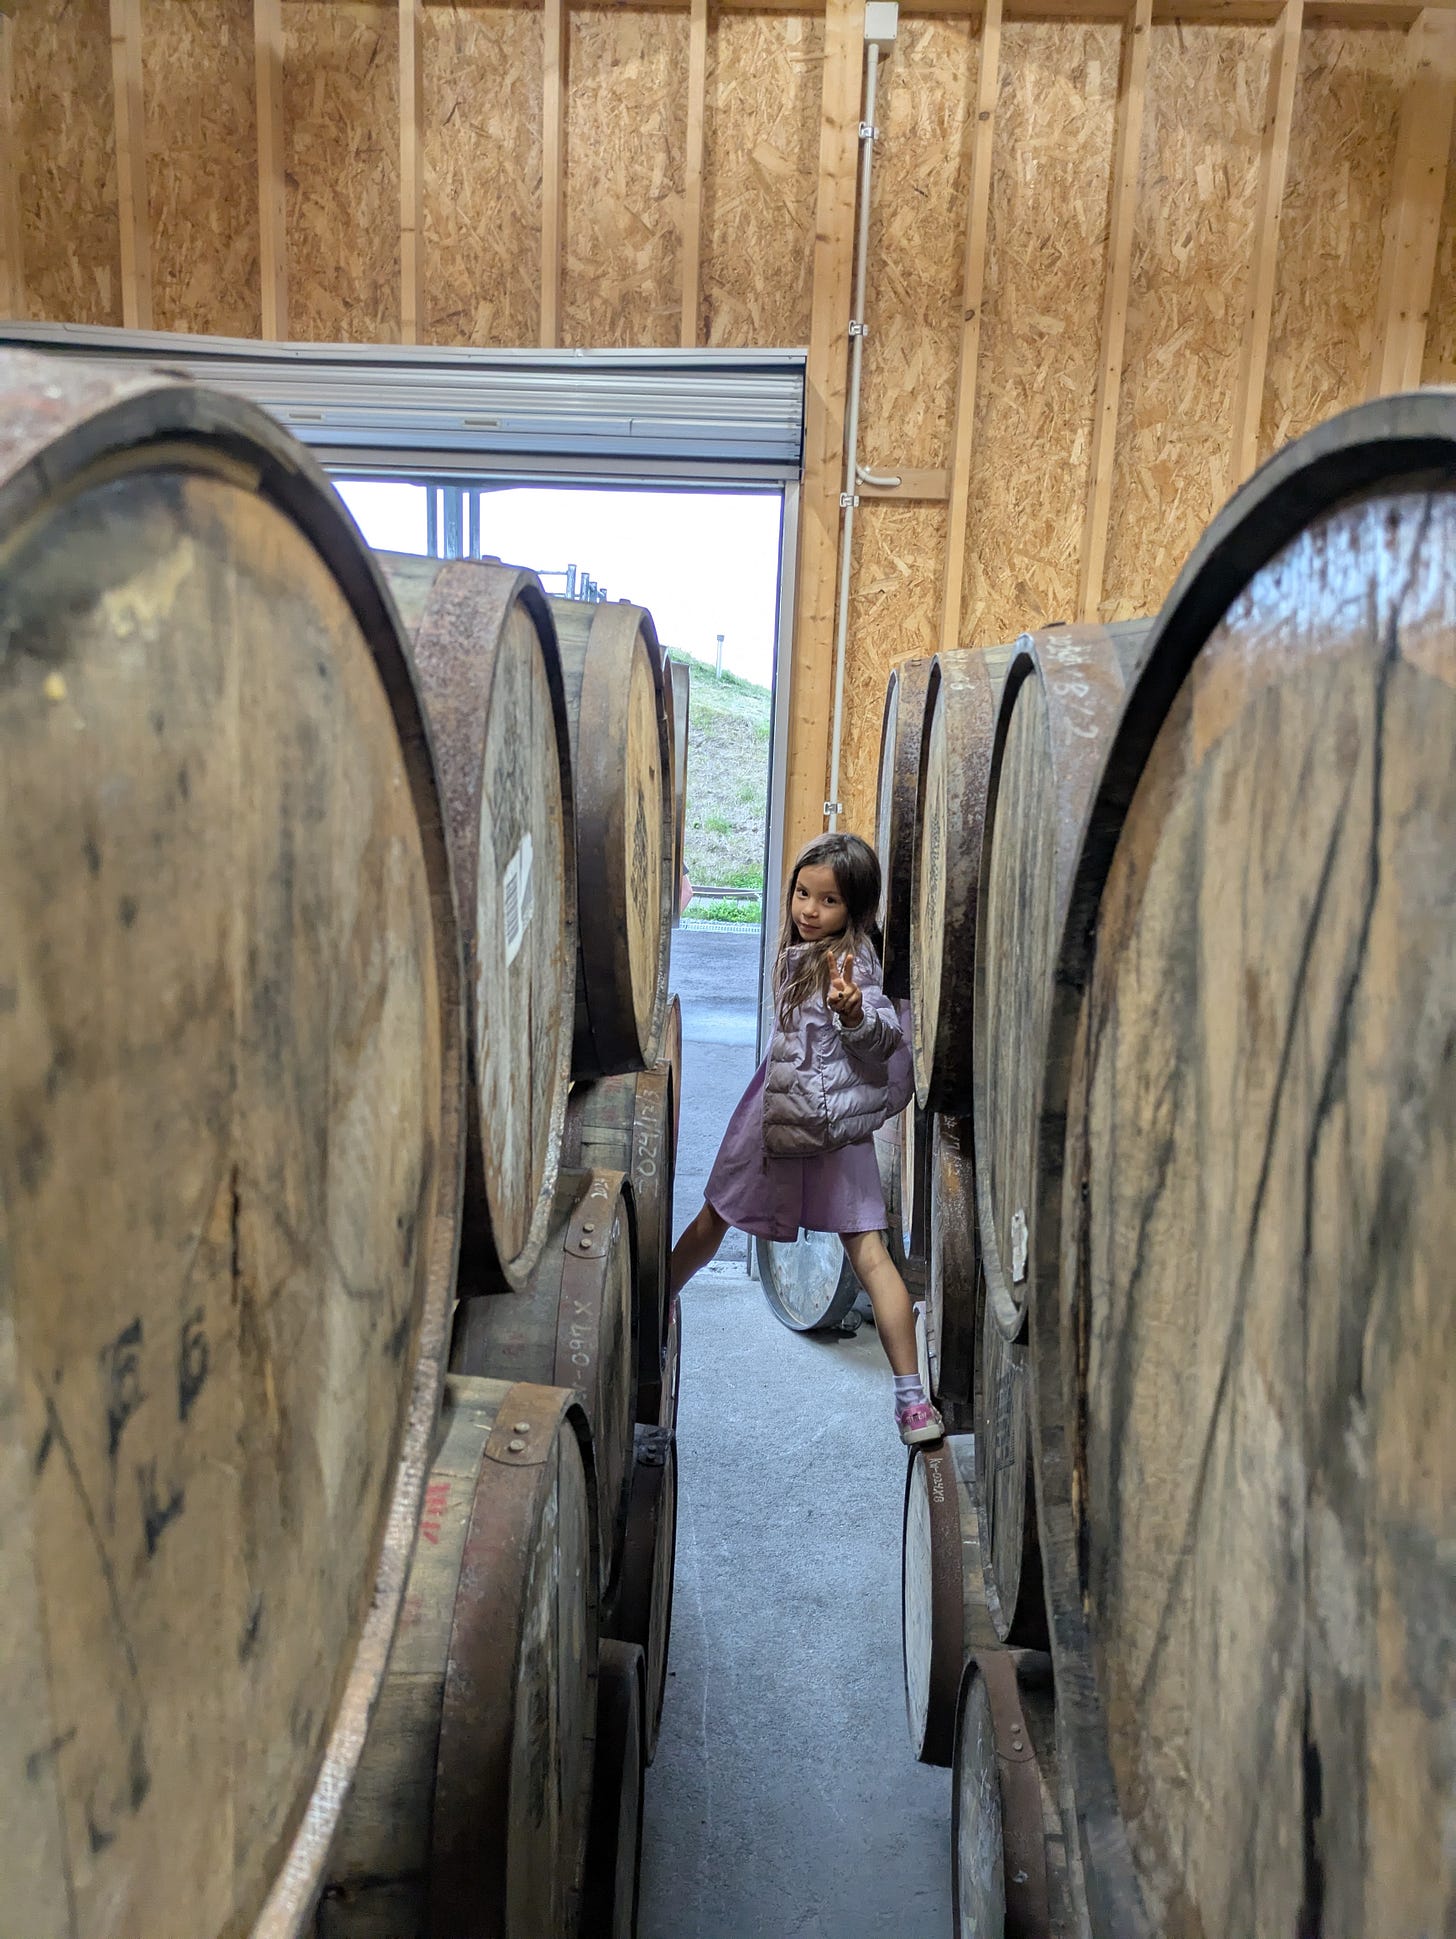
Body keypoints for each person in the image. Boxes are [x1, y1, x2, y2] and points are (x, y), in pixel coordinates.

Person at [669, 831, 944, 1445]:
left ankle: (911, 1401)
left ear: (857, 911)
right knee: (715, 1217)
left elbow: (881, 1038)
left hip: (827, 1120)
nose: (809, 911)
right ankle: (653, 1307)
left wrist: (851, 1012)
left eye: (829, 901)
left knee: (867, 1250)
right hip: (780, 1105)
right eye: (802, 893)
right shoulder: (797, 949)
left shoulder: (854, 962)